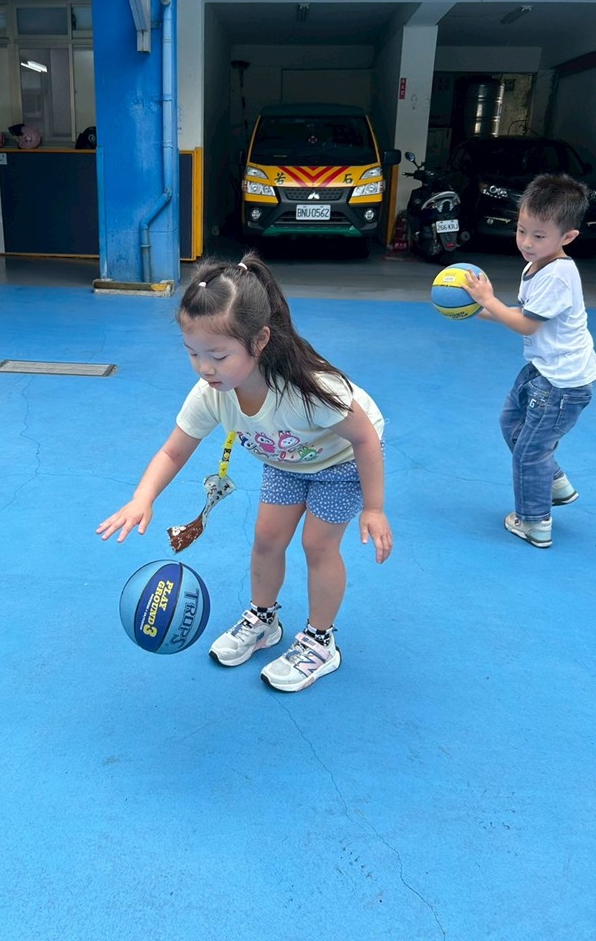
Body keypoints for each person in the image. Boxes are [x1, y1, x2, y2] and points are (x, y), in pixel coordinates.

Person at [97, 253, 392, 692]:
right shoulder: (211, 393)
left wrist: (374, 508)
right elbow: (173, 451)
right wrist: (143, 498)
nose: (205, 367)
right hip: (286, 460)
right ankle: (264, 619)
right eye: (192, 353)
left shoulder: (309, 390)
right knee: (267, 538)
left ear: (259, 341)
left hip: (342, 458)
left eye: (218, 355)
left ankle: (320, 640)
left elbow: (365, 439)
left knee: (317, 545)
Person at [465, 173, 596, 548]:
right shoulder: (536, 265)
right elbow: (524, 313)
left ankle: (535, 523)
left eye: (538, 236)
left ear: (567, 237)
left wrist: (488, 300)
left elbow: (526, 325)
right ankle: (554, 483)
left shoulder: (559, 275)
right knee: (511, 422)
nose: (526, 242)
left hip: (562, 384)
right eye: (522, 230)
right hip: (544, 369)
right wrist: (476, 310)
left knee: (529, 452)